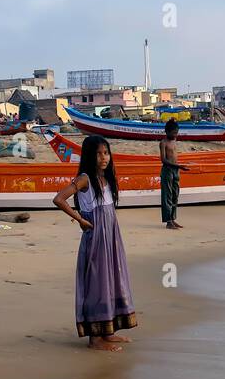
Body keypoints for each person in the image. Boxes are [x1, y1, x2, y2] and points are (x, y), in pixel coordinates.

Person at [53, 134, 138, 351]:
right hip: (96, 237)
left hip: (110, 237)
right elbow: (59, 198)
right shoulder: (85, 179)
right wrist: (80, 219)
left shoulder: (106, 179)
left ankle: (108, 332)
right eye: (98, 154)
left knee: (111, 279)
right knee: (97, 283)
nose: (103, 158)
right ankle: (95, 338)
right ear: (90, 156)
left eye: (106, 153)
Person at [158, 118, 190, 229]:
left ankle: (173, 218)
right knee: (167, 195)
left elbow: (174, 157)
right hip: (167, 170)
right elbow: (163, 160)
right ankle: (168, 221)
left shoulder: (174, 141)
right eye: (174, 133)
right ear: (167, 132)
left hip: (176, 170)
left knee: (175, 195)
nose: (176, 135)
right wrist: (179, 166)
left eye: (177, 132)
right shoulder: (163, 143)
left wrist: (179, 166)